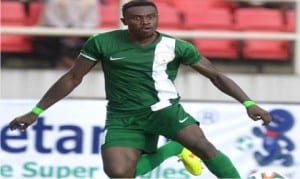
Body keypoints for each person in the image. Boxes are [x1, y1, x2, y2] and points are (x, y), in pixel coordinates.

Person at [9, 0, 272, 178]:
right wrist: (35, 112)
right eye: (137, 18)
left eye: (150, 17)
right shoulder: (102, 43)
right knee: (119, 173)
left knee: (203, 145)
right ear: (125, 20)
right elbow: (72, 78)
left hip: (165, 111)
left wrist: (248, 104)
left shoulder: (176, 46)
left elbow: (215, 76)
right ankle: (173, 149)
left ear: (157, 18)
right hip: (123, 117)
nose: (145, 22)